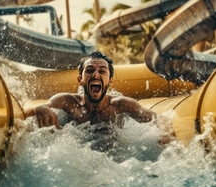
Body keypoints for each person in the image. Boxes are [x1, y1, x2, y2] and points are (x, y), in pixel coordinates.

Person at [24, 51, 165, 132]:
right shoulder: (67, 102)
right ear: (80, 79)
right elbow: (26, 111)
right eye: (90, 70)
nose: (96, 75)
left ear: (110, 81)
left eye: (102, 71)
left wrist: (166, 134)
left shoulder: (121, 105)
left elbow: (160, 120)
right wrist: (40, 108)